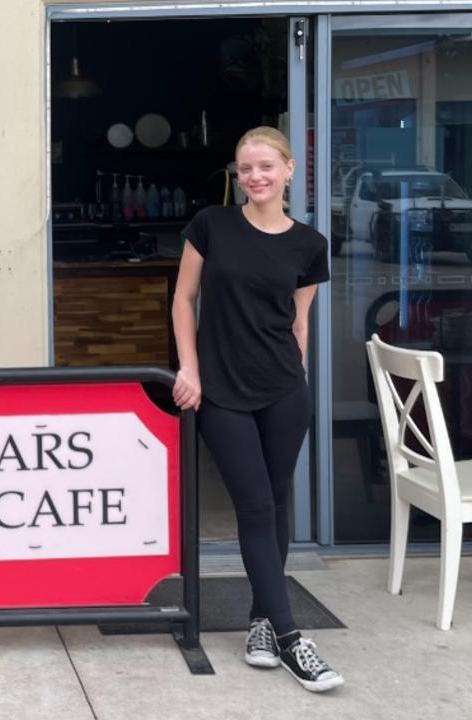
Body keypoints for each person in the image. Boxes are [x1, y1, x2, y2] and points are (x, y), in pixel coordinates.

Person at [171, 126, 342, 693]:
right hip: (220, 389)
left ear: (289, 169)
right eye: (246, 168)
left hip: (282, 389)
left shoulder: (309, 244)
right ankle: (294, 638)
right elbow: (183, 300)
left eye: (266, 166)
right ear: (236, 174)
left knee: (276, 500)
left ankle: (261, 623)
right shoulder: (211, 226)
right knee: (253, 505)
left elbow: (299, 323)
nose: (256, 177)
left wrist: (298, 378)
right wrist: (188, 369)